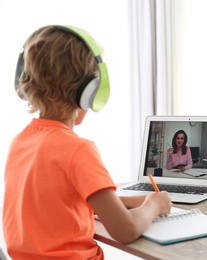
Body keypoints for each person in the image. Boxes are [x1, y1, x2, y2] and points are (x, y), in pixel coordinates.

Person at [3, 26, 172, 259]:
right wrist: (154, 206)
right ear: (89, 90)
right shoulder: (77, 149)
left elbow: (60, 202)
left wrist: (137, 201)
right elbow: (126, 230)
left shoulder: (20, 142)